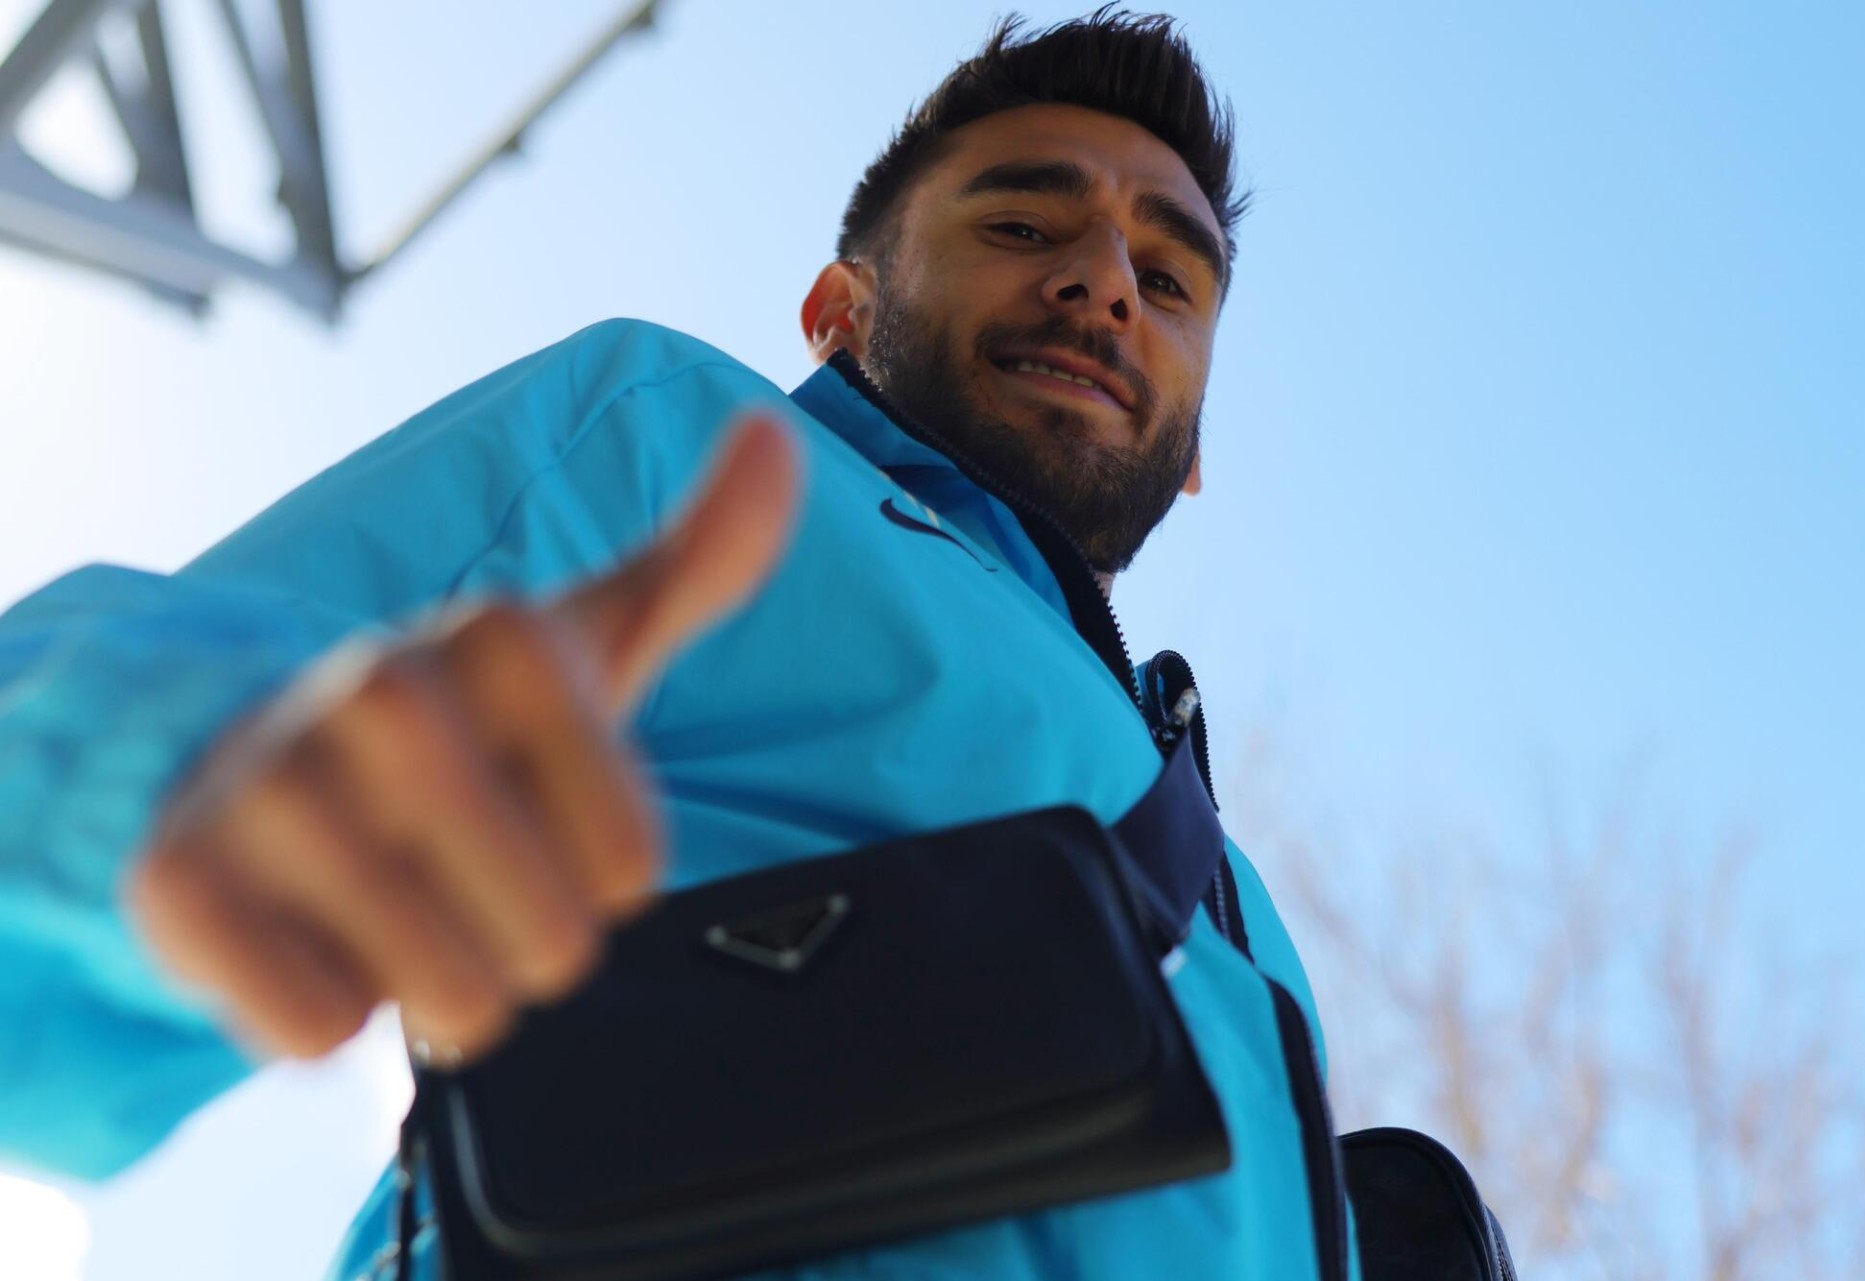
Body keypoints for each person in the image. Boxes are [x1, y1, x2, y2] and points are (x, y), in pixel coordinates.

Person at [0, 11, 1354, 1280]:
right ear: (838, 310)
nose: (1105, 282)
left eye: (1167, 279)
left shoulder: (1247, 910)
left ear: (1194, 448)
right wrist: (165, 785)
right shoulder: (674, 444)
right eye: (1020, 222)